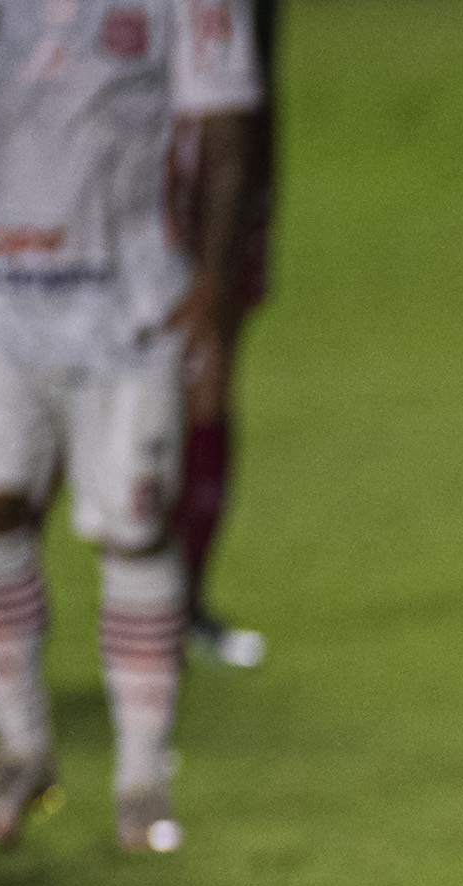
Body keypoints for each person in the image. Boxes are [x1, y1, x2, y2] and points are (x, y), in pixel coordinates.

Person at [0, 0, 262, 856]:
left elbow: (228, 131)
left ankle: (143, 778)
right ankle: (20, 750)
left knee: (129, 527)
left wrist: (215, 277)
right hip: (0, 305)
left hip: (130, 309)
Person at [170, 0, 275, 669]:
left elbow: (247, 93)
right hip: (73, 201)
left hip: (216, 175)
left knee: (207, 374)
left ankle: (183, 604)